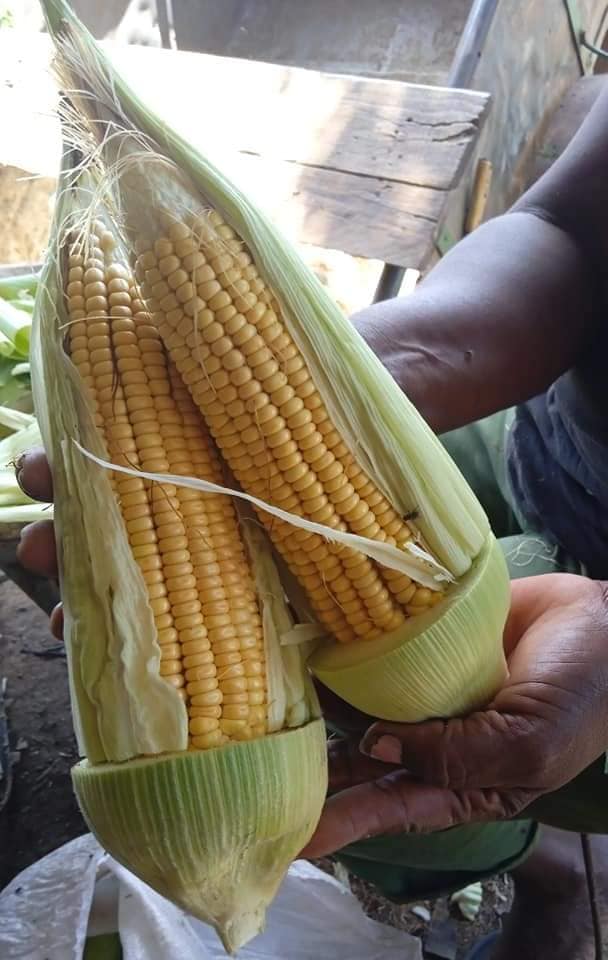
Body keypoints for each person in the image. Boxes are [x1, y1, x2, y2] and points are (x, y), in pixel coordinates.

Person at [15, 81, 608, 960]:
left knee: (490, 757)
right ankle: (550, 861)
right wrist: (338, 388)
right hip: (540, 441)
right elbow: (574, 228)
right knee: (387, 775)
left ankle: (564, 867)